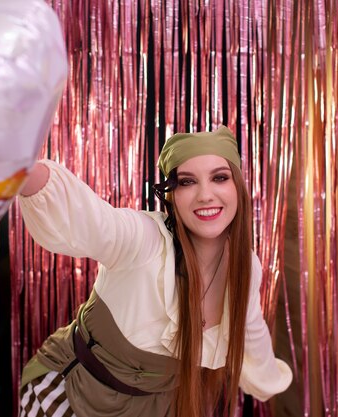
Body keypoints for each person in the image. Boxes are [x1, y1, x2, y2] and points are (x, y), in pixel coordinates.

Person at [17, 126, 292, 417]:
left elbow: (251, 331)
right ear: (172, 195)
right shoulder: (145, 239)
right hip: (73, 393)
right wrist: (21, 170)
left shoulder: (245, 266)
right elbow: (91, 220)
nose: (205, 195)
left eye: (220, 178)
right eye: (187, 182)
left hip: (155, 407)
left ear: (237, 186)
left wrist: (270, 383)